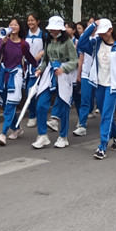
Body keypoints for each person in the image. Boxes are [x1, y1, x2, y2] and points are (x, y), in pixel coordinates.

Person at [78, 18, 116, 160]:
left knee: (107, 114)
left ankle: (102, 146)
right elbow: (81, 43)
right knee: (104, 114)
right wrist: (92, 26)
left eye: (105, 32)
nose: (103, 35)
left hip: (113, 86)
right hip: (99, 84)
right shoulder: (96, 43)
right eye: (100, 33)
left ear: (111, 30)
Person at [31, 16, 79, 149]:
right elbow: (45, 59)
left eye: (55, 29)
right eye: (51, 29)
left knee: (64, 105)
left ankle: (63, 136)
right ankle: (42, 135)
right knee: (41, 104)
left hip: (63, 75)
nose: (52, 31)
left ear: (61, 29)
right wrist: (40, 69)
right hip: (49, 74)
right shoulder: (48, 40)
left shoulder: (68, 42)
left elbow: (74, 60)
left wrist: (63, 68)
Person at [0, 17, 36, 144]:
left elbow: (29, 58)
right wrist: (1, 43)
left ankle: (3, 134)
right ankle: (17, 128)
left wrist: (39, 67)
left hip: (16, 76)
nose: (13, 27)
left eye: (15, 25)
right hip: (3, 75)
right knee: (5, 105)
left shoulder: (23, 44)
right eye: (11, 24)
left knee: (10, 105)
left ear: (20, 28)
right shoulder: (3, 41)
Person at [23, 14, 46, 128]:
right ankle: (34, 114)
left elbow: (47, 48)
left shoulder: (43, 35)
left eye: (32, 20)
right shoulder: (25, 34)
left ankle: (34, 115)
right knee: (28, 91)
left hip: (39, 67)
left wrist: (40, 55)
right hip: (26, 67)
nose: (30, 22)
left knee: (32, 91)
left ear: (38, 21)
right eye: (29, 20)